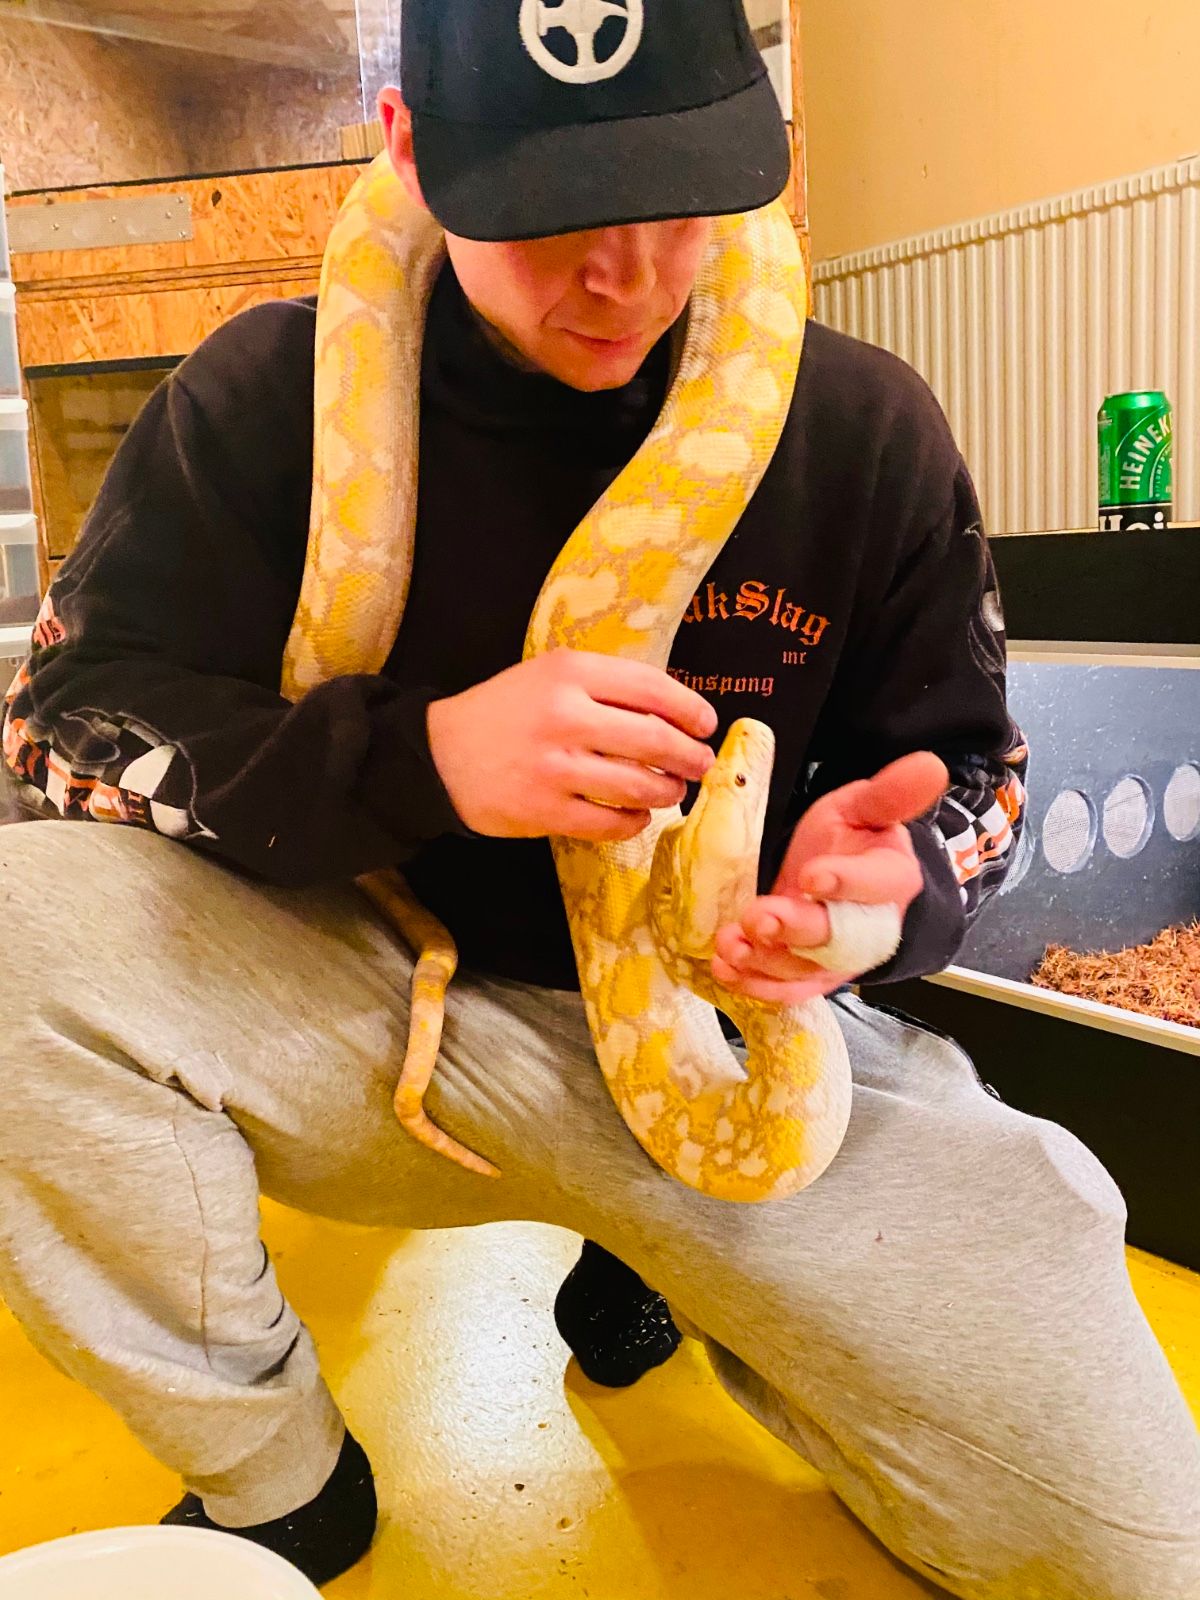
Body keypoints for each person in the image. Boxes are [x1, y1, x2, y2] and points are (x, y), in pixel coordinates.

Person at [1, 1, 1197, 1594]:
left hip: (729, 1026)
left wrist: (888, 891)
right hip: (367, 993)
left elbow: (980, 780)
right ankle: (280, 1478)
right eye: (551, 208)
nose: (623, 275)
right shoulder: (266, 397)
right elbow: (58, 735)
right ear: (410, 148)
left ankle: (648, 1250)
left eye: (680, 195)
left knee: (1134, 1548)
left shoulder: (858, 427)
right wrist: (423, 757)